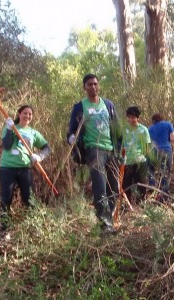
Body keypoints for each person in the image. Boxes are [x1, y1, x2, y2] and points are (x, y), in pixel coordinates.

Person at [67, 74, 121, 233]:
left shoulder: (108, 105)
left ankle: (108, 219)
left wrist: (119, 150)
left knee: (114, 187)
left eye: (96, 84)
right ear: (84, 87)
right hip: (93, 149)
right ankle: (105, 225)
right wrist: (72, 139)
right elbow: (71, 130)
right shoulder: (79, 106)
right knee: (99, 186)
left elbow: (117, 129)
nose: (93, 87)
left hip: (110, 149)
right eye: (90, 84)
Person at [0, 105, 51, 230]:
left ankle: (34, 226)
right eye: (25, 113)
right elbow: (6, 146)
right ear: (19, 114)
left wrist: (40, 156)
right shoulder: (10, 127)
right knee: (6, 197)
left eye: (30, 114)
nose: (27, 116)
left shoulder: (33, 132)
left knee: (29, 198)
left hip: (24, 168)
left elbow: (47, 148)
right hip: (7, 168)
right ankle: (4, 228)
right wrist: (9, 129)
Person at [122, 106, 151, 203]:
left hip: (140, 161)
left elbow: (147, 147)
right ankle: (126, 205)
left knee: (141, 185)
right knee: (126, 185)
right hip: (126, 162)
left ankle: (141, 204)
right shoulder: (124, 129)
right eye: (129, 117)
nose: (131, 119)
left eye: (133, 117)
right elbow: (121, 145)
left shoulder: (143, 130)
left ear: (138, 118)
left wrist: (140, 156)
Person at [148, 113, 174, 199]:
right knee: (164, 172)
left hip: (153, 152)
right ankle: (164, 195)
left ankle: (151, 189)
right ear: (162, 119)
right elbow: (173, 139)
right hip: (165, 151)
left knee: (151, 170)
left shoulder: (150, 128)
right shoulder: (168, 124)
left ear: (153, 121)